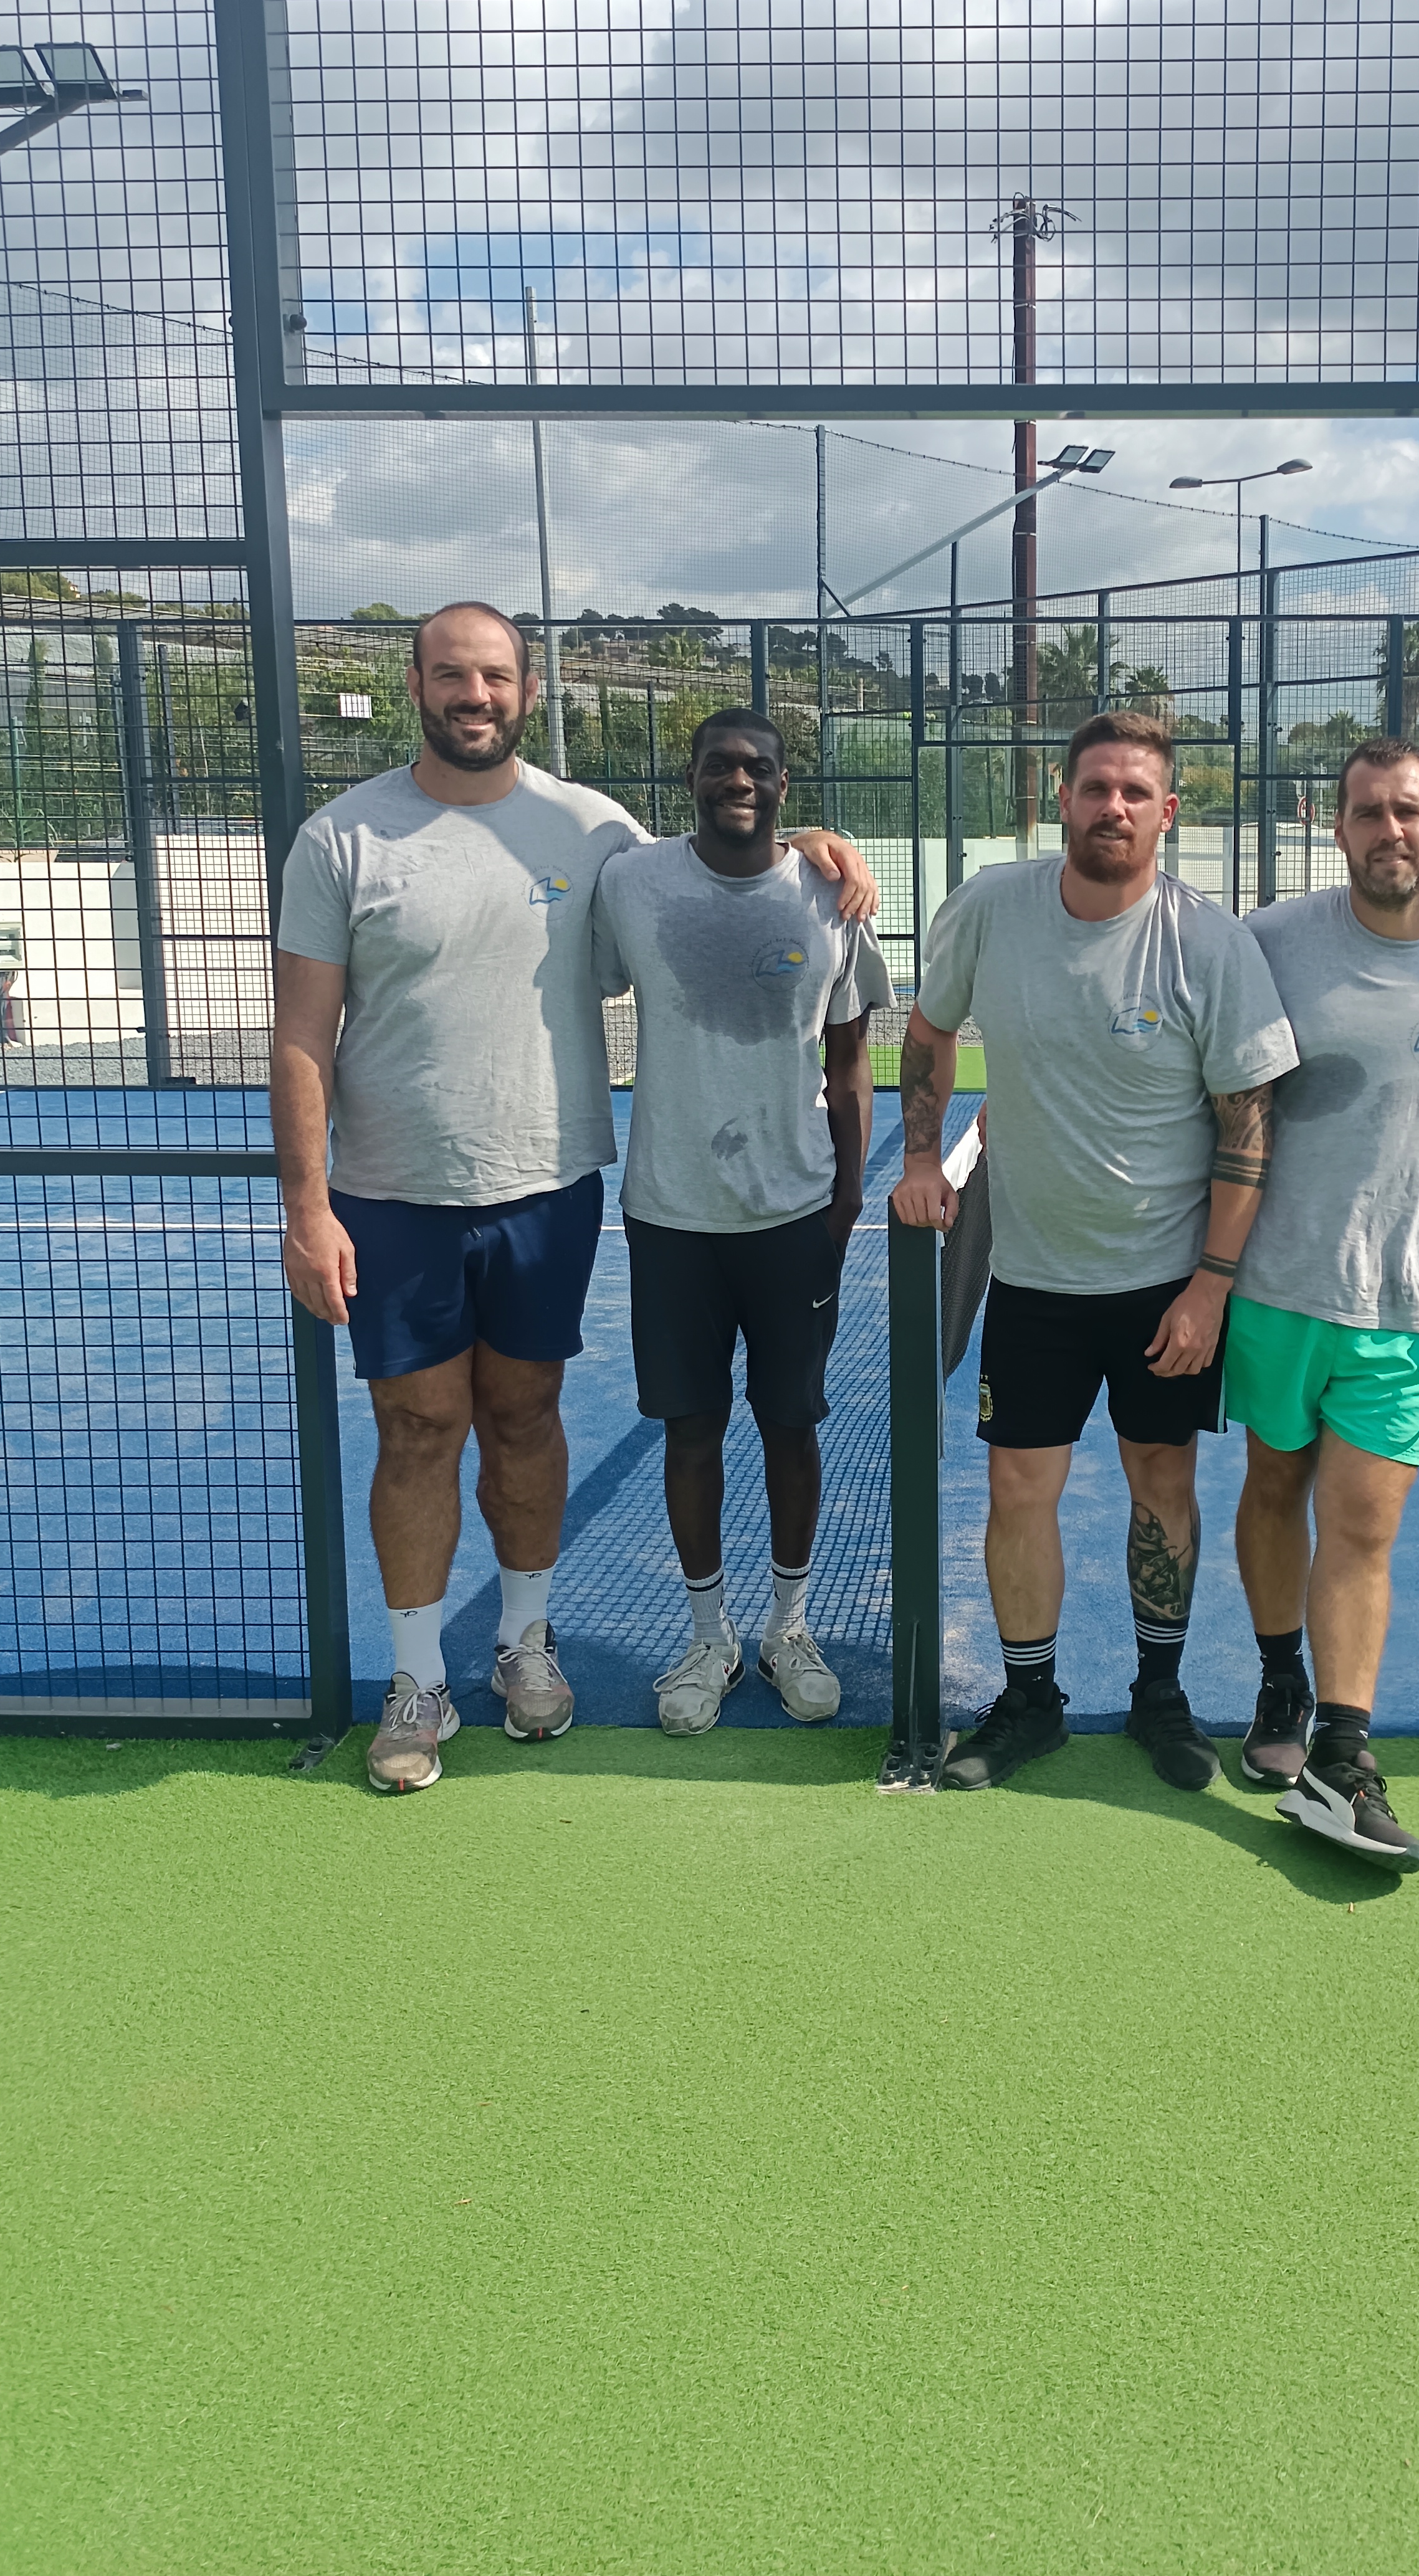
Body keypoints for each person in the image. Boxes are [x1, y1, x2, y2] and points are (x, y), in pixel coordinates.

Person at [272, 601, 875, 1795]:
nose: (475, 696)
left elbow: (729, 855)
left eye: (495, 676)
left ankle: (525, 1646)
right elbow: (300, 1033)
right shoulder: (341, 837)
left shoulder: (596, 831)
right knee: (417, 1430)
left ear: (528, 690)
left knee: (525, 1417)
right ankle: (416, 1682)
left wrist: (821, 841)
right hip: (392, 1192)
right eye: (453, 676)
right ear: (415, 686)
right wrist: (306, 1204)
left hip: (547, 1185)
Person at [893, 709, 1299, 1794]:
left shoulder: (1208, 944)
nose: (1113, 807)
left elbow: (1248, 1124)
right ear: (1061, 799)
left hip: (1165, 1287)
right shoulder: (992, 909)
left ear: (1168, 813)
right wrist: (923, 1157)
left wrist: (1210, 1288)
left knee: (1162, 1480)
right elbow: (927, 1031)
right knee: (1018, 1487)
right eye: (1095, 788)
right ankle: (1030, 1702)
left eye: (1135, 793)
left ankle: (1159, 1695)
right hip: (1031, 1280)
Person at [1228, 738, 1419, 1866]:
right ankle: (1280, 1683)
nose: (1388, 830)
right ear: (1338, 827)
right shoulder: (1269, 943)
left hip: (1405, 1308)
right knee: (1274, 1487)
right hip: (1273, 1289)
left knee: (1362, 1526)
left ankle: (1343, 1756)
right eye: (1368, 812)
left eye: (1408, 810)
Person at [592, 707, 894, 1733]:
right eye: (719, 765)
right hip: (671, 1214)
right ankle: (707, 1637)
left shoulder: (831, 896)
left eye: (757, 768)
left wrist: (846, 1197)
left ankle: (788, 1629)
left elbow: (851, 1060)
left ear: (782, 782)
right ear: (689, 776)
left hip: (793, 1214)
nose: (738, 781)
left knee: (791, 1426)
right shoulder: (632, 883)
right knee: (691, 1431)